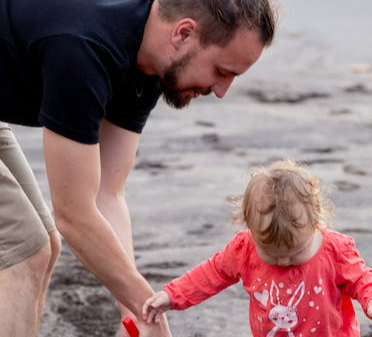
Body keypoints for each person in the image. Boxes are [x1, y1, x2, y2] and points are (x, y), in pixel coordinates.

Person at [0, 0, 276, 335]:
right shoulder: (84, 47)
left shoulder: (150, 60)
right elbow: (74, 217)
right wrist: (151, 313)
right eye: (221, 71)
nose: (221, 91)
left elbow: (107, 192)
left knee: (44, 244)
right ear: (184, 33)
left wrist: (132, 314)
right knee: (24, 250)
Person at [142, 159, 372, 336]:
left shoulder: (334, 249)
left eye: (294, 253)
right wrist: (171, 296)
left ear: (316, 222)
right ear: (249, 230)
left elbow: (362, 279)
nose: (283, 262)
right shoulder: (244, 249)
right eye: (271, 254)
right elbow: (211, 274)